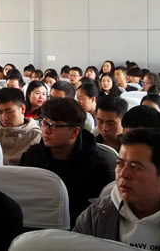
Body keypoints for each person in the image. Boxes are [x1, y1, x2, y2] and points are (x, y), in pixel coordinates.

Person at [20, 97, 112, 227]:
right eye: (44, 123)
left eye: (53, 125)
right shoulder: (32, 156)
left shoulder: (95, 166)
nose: (46, 130)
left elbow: (96, 213)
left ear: (74, 132)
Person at [0, 88, 41, 165]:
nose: (4, 118)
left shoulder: (37, 138)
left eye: (9, 112)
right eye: (0, 112)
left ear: (23, 109)